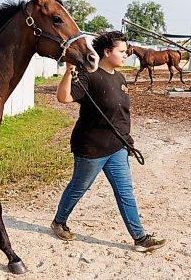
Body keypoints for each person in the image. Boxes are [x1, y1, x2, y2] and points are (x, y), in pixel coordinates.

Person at [50, 31, 166, 252]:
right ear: (107, 52)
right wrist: (68, 73)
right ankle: (59, 222)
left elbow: (121, 115)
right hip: (92, 148)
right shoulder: (88, 75)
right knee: (78, 187)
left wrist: (128, 141)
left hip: (117, 147)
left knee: (125, 192)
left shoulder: (120, 78)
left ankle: (140, 238)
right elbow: (63, 98)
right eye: (122, 51)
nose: (126, 55)